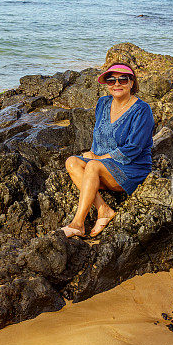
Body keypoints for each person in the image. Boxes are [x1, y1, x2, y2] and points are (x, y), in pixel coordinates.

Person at [61, 63, 154, 238]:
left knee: (93, 166)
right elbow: (99, 136)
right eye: (111, 80)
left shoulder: (142, 110)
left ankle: (78, 223)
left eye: (123, 79)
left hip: (132, 168)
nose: (116, 84)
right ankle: (103, 209)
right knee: (72, 162)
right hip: (102, 165)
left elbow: (133, 149)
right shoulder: (103, 103)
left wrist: (97, 158)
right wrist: (94, 156)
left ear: (132, 82)